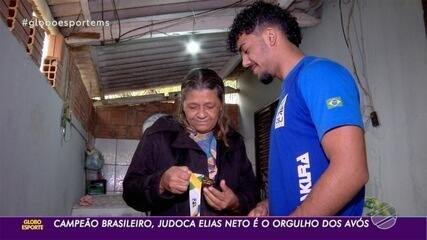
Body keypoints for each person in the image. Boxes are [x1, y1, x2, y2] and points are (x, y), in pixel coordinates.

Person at [227, 1, 368, 216]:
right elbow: (302, 171)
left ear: (270, 36)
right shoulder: (289, 91)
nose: (244, 62)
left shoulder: (319, 74)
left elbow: (351, 171)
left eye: (246, 50)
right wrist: (270, 205)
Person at [123, 68, 258, 216]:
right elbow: (130, 193)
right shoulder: (159, 135)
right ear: (182, 105)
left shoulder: (234, 142)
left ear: (220, 106)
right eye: (193, 107)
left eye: (209, 106)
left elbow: (251, 193)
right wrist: (160, 182)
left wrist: (235, 202)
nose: (201, 114)